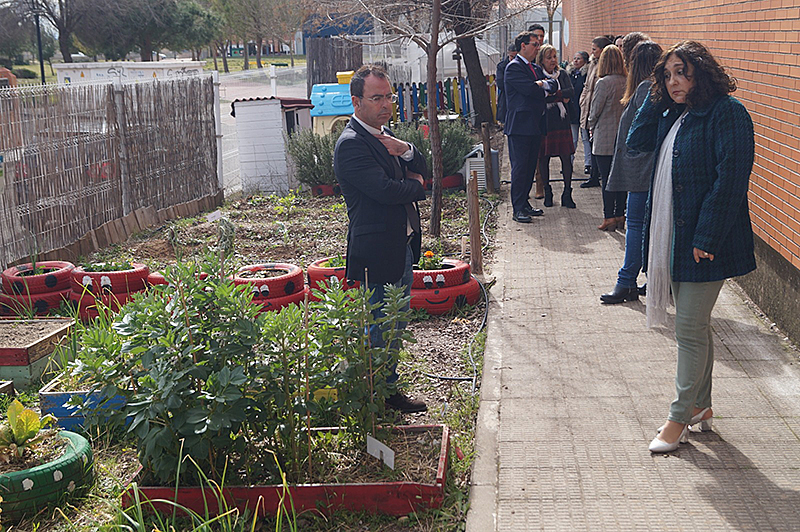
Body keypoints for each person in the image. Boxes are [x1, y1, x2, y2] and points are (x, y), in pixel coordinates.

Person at [626, 41, 755, 453]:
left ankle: (677, 418)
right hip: (675, 238)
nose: (674, 81)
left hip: (705, 242)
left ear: (701, 71)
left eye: (682, 72)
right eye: (667, 75)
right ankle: (702, 406)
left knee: (688, 329)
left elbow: (730, 179)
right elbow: (636, 140)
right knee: (696, 326)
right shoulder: (674, 113)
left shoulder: (727, 113)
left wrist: (706, 236)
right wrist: (654, 96)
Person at [333, 64, 429, 413]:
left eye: (388, 96)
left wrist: (405, 148)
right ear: (356, 101)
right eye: (376, 98)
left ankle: (387, 390)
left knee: (396, 320)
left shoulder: (387, 137)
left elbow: (426, 167)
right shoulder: (351, 145)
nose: (386, 104)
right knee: (379, 325)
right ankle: (373, 396)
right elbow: (385, 191)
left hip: (401, 245)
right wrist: (416, 185)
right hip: (376, 250)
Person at [600, 41, 663, 304]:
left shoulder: (646, 88)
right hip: (645, 170)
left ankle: (627, 281)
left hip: (643, 172)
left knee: (636, 225)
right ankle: (650, 280)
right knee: (643, 226)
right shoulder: (651, 89)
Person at [504, 31, 557, 223]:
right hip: (519, 126)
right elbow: (529, 89)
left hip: (534, 124)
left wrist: (541, 83)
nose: (537, 48)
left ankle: (524, 203)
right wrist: (541, 86)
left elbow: (553, 84)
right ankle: (518, 208)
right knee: (520, 168)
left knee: (528, 168)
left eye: (538, 44)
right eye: (534, 44)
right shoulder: (514, 68)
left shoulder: (534, 68)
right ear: (523, 46)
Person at [588, 45, 627, 231]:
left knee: (607, 180)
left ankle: (608, 217)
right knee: (622, 180)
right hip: (623, 137)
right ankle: (620, 214)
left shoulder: (603, 83)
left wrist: (589, 126)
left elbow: (595, 110)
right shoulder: (628, 81)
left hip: (604, 136)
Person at [536, 44, 576, 208]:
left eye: (554, 56)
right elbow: (539, 96)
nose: (553, 60)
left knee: (566, 157)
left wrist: (553, 93)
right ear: (542, 60)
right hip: (545, 121)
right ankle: (547, 191)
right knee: (543, 158)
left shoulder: (563, 74)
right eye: (549, 57)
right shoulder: (537, 73)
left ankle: (567, 193)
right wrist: (558, 96)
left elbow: (570, 92)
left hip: (561, 120)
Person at [579, 36, 612, 186]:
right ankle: (593, 175)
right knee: (588, 140)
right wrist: (583, 100)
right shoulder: (593, 63)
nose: (592, 52)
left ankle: (596, 175)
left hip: (598, 109)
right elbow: (587, 85)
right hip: (588, 106)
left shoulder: (606, 67)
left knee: (596, 144)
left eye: (594, 49)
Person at [568, 51, 589, 171]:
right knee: (573, 138)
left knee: (585, 138)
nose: (575, 61)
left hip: (583, 110)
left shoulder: (586, 75)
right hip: (572, 111)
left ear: (585, 61)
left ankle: (588, 164)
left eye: (579, 59)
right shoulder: (569, 74)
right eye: (574, 58)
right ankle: (569, 162)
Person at [495, 44, 517, 125]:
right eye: (512, 56)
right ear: (508, 54)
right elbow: (500, 83)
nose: (513, 59)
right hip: (506, 99)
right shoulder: (502, 66)